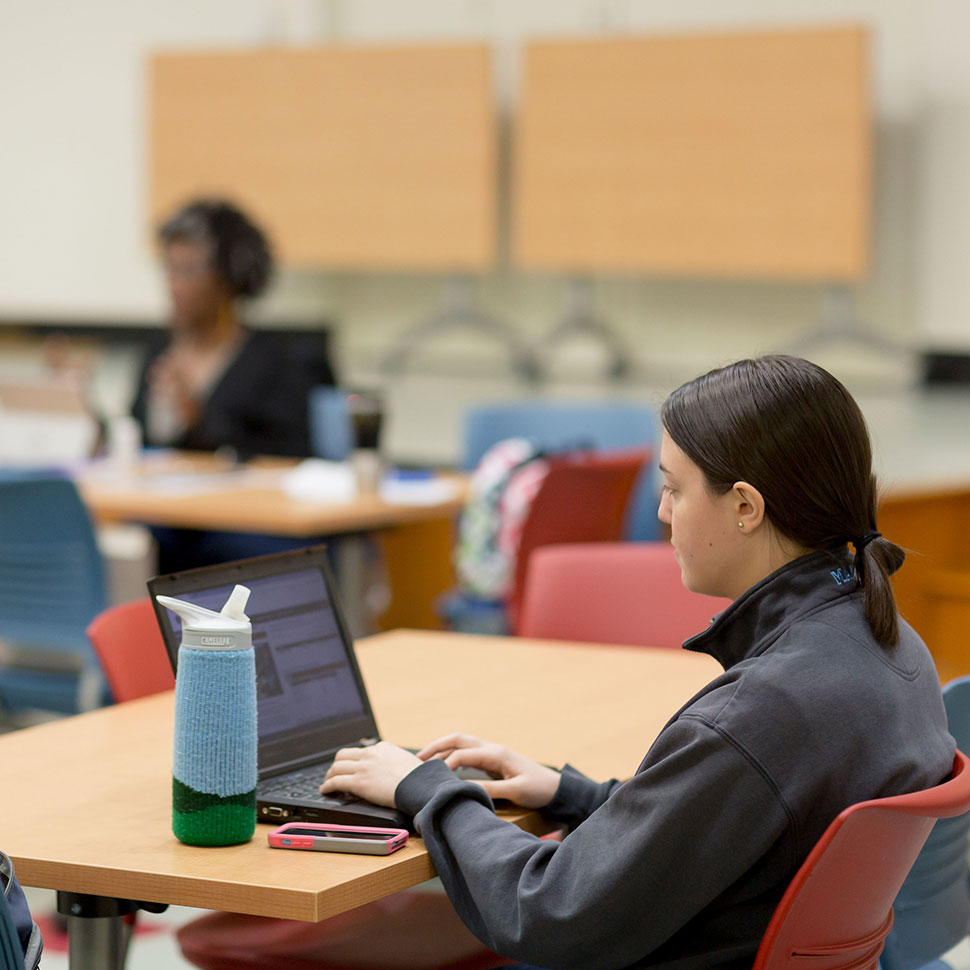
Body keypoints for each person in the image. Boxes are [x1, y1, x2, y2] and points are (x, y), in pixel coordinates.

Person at [319, 354, 955, 970]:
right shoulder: (891, 643)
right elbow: (741, 820)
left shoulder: (760, 713)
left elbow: (545, 911)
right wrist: (575, 795)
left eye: (675, 489)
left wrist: (426, 788)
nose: (660, 512)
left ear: (744, 506)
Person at [131, 198, 335, 459]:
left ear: (228, 277)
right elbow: (135, 441)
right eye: (170, 269)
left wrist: (202, 424)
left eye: (189, 271)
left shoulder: (276, 364)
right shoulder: (159, 354)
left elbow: (294, 456)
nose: (174, 286)